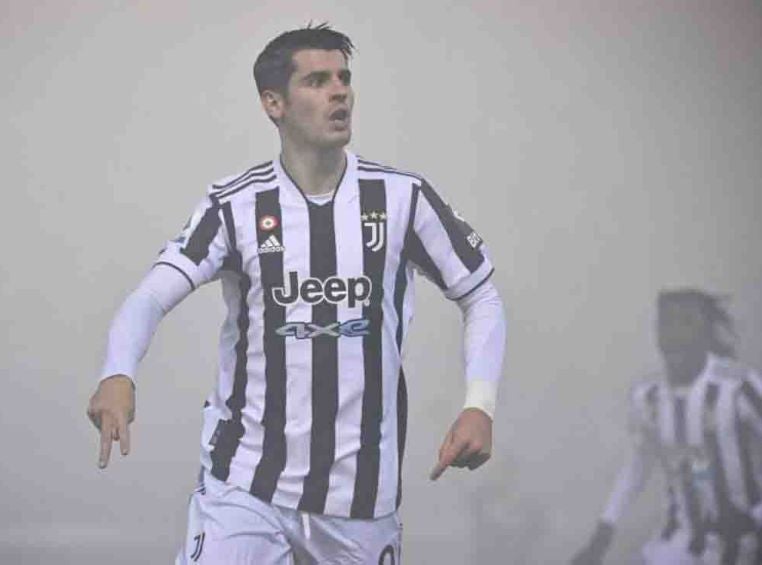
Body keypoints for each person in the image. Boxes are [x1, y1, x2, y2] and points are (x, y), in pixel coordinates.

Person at [86, 24, 506, 564]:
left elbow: (481, 295)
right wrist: (117, 372)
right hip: (245, 487)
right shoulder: (234, 206)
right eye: (317, 81)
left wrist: (479, 406)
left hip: (361, 500)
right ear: (273, 103)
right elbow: (150, 296)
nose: (339, 92)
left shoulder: (403, 199)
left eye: (344, 78)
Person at [572, 289, 762, 565]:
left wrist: (754, 518)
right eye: (666, 323)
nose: (674, 334)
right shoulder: (648, 396)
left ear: (706, 332)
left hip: (743, 552)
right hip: (675, 546)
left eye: (686, 322)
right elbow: (637, 466)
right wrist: (602, 536)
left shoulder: (741, 387)